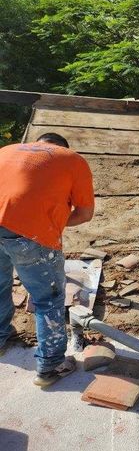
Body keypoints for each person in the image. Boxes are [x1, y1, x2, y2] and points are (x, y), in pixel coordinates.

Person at [0, 133, 94, 387]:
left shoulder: (6, 150)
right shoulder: (71, 159)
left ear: (37, 143)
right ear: (61, 147)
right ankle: (50, 366)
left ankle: (0, 338)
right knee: (48, 299)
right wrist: (49, 224)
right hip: (28, 235)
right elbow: (85, 213)